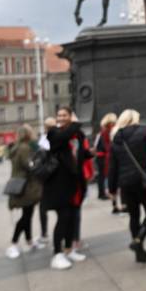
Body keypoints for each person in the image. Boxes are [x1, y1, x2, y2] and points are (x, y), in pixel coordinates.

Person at [43, 106, 90, 270]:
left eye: (64, 115)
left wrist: (91, 153)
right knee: (63, 218)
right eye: (59, 115)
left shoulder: (77, 134)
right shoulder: (54, 133)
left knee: (71, 217)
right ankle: (57, 254)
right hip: (59, 185)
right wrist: (76, 123)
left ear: (70, 116)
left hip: (75, 183)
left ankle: (69, 249)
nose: (61, 118)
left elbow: (80, 153)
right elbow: (64, 137)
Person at [109, 109, 146, 264]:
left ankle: (139, 252)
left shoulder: (116, 138)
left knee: (134, 216)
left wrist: (112, 189)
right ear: (135, 118)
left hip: (125, 184)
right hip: (143, 181)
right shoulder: (145, 132)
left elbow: (113, 167)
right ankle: (138, 240)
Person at [6, 125, 44, 259]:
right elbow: (29, 165)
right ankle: (13, 244)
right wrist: (40, 160)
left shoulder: (18, 147)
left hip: (23, 185)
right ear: (28, 134)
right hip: (26, 186)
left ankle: (29, 241)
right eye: (31, 132)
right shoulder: (24, 148)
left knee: (28, 214)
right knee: (25, 217)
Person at [35, 117, 55, 248]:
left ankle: (44, 234)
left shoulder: (43, 141)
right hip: (55, 177)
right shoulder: (59, 138)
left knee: (43, 209)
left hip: (46, 179)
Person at [93, 113, 117, 202]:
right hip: (103, 157)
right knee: (102, 176)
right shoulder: (106, 132)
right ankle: (103, 193)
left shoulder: (102, 131)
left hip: (101, 156)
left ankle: (102, 193)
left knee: (101, 176)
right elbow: (106, 145)